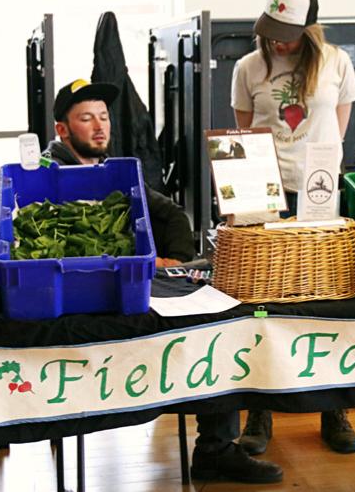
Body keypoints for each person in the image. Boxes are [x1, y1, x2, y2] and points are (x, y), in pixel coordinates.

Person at [46, 78, 283, 484]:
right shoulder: (47, 175)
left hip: (136, 289)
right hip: (78, 301)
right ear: (63, 130)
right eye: (86, 119)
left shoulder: (113, 169)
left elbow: (172, 214)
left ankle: (215, 450)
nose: (100, 126)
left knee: (216, 327)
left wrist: (174, 262)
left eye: (103, 117)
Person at [231, 0, 355, 456]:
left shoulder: (335, 63)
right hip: (267, 196)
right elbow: (243, 136)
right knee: (264, 305)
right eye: (271, 31)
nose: (278, 41)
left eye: (286, 33)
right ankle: (260, 413)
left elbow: (338, 128)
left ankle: (334, 409)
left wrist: (318, 171)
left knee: (327, 303)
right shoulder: (248, 68)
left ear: (308, 29)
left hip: (321, 194)